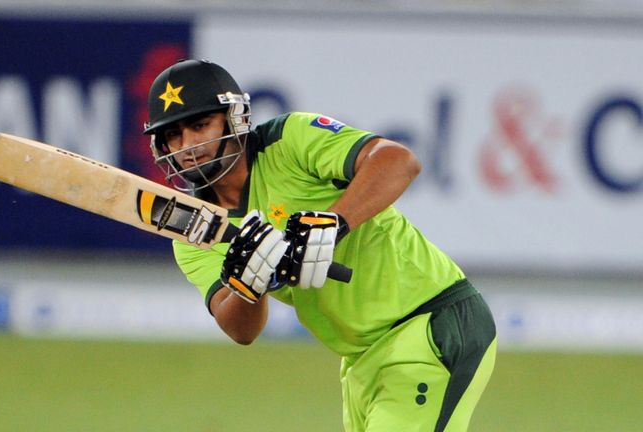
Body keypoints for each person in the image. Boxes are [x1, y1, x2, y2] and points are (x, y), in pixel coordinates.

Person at [142, 58, 497, 432]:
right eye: (174, 135)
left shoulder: (288, 140)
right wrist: (249, 283)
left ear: (234, 118)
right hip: (359, 359)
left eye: (199, 126)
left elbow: (398, 160)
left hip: (428, 323)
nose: (188, 146)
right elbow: (241, 330)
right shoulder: (193, 227)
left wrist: (334, 222)